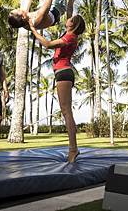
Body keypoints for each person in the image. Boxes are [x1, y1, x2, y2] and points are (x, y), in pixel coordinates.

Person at [29, 14, 86, 163]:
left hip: (64, 73)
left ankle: (73, 149)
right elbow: (69, 11)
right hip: (62, 73)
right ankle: (73, 148)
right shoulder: (68, 34)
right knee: (66, 112)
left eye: (70, 19)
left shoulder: (69, 38)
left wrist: (33, 30)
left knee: (67, 112)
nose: (67, 19)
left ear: (72, 24)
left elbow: (47, 44)